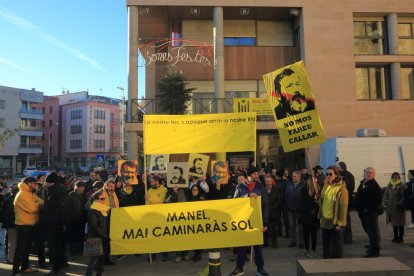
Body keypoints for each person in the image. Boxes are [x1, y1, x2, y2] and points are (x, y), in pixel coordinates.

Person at [229, 170, 269, 276]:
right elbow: (234, 201)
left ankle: (260, 268)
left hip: (257, 221)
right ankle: (239, 268)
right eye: (254, 174)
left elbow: (265, 205)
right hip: (243, 221)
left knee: (258, 247)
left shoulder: (261, 187)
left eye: (257, 174)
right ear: (249, 176)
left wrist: (265, 223)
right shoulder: (240, 187)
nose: (257, 176)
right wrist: (247, 196)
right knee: (241, 246)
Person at [12, 177, 44, 275]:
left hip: (30, 224)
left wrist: (36, 204)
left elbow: (42, 202)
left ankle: (25, 267)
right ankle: (15, 271)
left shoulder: (29, 192)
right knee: (20, 249)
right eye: (34, 183)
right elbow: (33, 208)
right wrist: (36, 204)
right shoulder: (22, 194)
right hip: (23, 225)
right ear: (29, 183)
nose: (36, 185)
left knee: (26, 248)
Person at [319, 165, 348, 259]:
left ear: (336, 175)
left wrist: (340, 223)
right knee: (325, 245)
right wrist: (317, 198)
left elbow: (343, 206)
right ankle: (326, 262)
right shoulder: (326, 185)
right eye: (326, 174)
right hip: (325, 220)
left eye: (330, 174)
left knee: (337, 246)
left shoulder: (341, 189)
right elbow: (322, 201)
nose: (328, 176)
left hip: (335, 221)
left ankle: (338, 265)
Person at [44, 171, 69, 274]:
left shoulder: (58, 191)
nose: (46, 184)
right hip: (53, 222)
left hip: (56, 223)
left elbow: (62, 208)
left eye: (47, 183)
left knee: (54, 246)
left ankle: (57, 268)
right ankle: (62, 263)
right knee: (56, 245)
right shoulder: (53, 189)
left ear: (52, 183)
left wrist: (63, 223)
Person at [355, 167, 382, 258]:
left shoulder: (374, 185)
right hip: (363, 211)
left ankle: (374, 251)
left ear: (374, 174)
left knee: (372, 231)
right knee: (368, 230)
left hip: (370, 212)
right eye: (367, 172)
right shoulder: (364, 182)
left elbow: (378, 200)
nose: (368, 174)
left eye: (370, 173)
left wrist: (368, 208)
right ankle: (372, 246)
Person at [85, 190, 110, 276]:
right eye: (102, 199)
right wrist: (104, 236)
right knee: (93, 261)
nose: (104, 200)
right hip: (94, 238)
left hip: (103, 238)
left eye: (104, 198)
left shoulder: (104, 209)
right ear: (95, 200)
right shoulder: (92, 211)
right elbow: (93, 226)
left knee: (101, 261)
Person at [299, 177, 320, 257]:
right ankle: (307, 249)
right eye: (315, 180)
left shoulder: (318, 189)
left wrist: (316, 206)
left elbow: (319, 202)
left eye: (316, 180)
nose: (316, 181)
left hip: (314, 216)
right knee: (305, 233)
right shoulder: (304, 190)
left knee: (313, 233)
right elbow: (303, 202)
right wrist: (311, 208)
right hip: (306, 215)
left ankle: (313, 250)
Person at [383, 172, 405, 243]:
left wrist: (399, 203)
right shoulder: (389, 185)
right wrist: (385, 201)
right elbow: (386, 193)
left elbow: (403, 197)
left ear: (399, 178)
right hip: (391, 208)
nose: (394, 179)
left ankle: (401, 238)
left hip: (398, 208)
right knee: (394, 223)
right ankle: (395, 237)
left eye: (396, 177)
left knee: (400, 223)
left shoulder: (401, 185)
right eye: (393, 177)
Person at [67, 180, 88, 256]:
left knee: (80, 236)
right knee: (72, 237)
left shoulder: (83, 196)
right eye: (81, 187)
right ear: (77, 187)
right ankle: (73, 252)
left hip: (81, 220)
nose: (83, 188)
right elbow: (69, 209)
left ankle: (79, 250)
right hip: (73, 220)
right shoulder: (71, 195)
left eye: (83, 187)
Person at [286, 171, 305, 248]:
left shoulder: (303, 184)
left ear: (299, 177)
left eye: (295, 176)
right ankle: (293, 241)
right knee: (292, 226)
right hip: (291, 209)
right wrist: (288, 204)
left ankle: (301, 242)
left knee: (301, 227)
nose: (293, 178)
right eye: (293, 176)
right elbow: (286, 194)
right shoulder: (289, 184)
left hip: (300, 209)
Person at [0, 184, 18, 264]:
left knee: (12, 242)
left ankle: (11, 259)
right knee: (19, 242)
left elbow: (3, 213)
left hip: (10, 224)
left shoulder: (7, 200)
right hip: (21, 223)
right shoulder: (21, 199)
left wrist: (3, 222)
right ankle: (19, 258)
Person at [337, 161, 355, 244]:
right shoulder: (343, 174)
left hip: (346, 201)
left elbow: (350, 187)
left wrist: (342, 179)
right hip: (342, 201)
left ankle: (347, 238)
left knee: (346, 219)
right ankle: (344, 237)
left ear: (341, 167)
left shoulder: (347, 175)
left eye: (338, 166)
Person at [263, 176, 282, 248]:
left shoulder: (276, 189)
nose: (268, 183)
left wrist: (273, 207)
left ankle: (274, 243)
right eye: (267, 181)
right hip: (265, 213)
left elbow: (278, 200)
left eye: (269, 181)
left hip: (274, 212)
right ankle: (265, 243)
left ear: (272, 182)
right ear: (265, 182)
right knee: (266, 228)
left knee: (274, 229)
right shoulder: (263, 190)